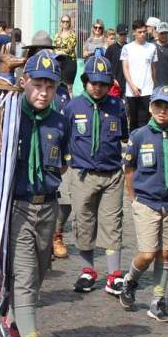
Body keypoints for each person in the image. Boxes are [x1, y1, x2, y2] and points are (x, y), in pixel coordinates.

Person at [0, 52, 68, 337]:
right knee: (24, 278)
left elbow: (62, 162)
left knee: (38, 274)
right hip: (19, 206)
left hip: (48, 206)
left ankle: (12, 322)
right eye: (37, 85)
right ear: (24, 83)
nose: (42, 92)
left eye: (49, 86)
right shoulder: (10, 115)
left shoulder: (59, 120)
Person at [63, 56, 128, 297]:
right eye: (93, 83)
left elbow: (123, 135)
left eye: (102, 83)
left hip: (112, 174)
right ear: (85, 81)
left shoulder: (117, 106)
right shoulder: (73, 107)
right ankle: (88, 270)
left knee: (113, 223)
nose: (97, 87)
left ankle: (114, 275)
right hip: (83, 174)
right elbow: (64, 138)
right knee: (84, 221)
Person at [120, 86, 168, 322]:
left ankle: (158, 301)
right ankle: (131, 279)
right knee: (148, 254)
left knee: (165, 253)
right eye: (158, 105)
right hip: (146, 201)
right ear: (150, 107)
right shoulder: (139, 136)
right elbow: (129, 169)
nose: (162, 111)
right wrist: (133, 198)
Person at [121, 19, 158, 131]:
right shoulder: (127, 48)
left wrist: (154, 87)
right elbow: (125, 68)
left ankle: (143, 145)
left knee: (144, 119)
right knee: (133, 120)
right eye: (139, 32)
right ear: (134, 32)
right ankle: (133, 145)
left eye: (144, 32)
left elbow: (153, 69)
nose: (142, 34)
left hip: (147, 90)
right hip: (132, 90)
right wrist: (132, 86)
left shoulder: (152, 48)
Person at [52, 15, 77, 91]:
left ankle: (69, 103)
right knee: (57, 85)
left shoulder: (73, 34)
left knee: (68, 88)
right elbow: (54, 48)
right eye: (63, 21)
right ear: (61, 23)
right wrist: (57, 51)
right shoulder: (57, 35)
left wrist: (58, 51)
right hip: (58, 62)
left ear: (69, 23)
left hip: (69, 62)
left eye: (67, 21)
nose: (65, 23)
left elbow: (69, 49)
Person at [104, 24, 129, 98]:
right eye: (121, 34)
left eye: (125, 34)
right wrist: (113, 78)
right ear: (117, 35)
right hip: (114, 84)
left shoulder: (129, 48)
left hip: (127, 83)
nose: (123, 36)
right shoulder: (111, 49)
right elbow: (107, 65)